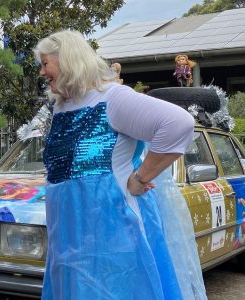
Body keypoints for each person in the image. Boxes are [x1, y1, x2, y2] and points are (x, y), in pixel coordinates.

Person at [34, 30, 207, 299]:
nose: (42, 72)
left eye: (46, 63)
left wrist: (140, 178)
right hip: (68, 238)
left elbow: (178, 124)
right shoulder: (62, 107)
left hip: (114, 233)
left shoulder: (113, 98)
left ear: (68, 59)